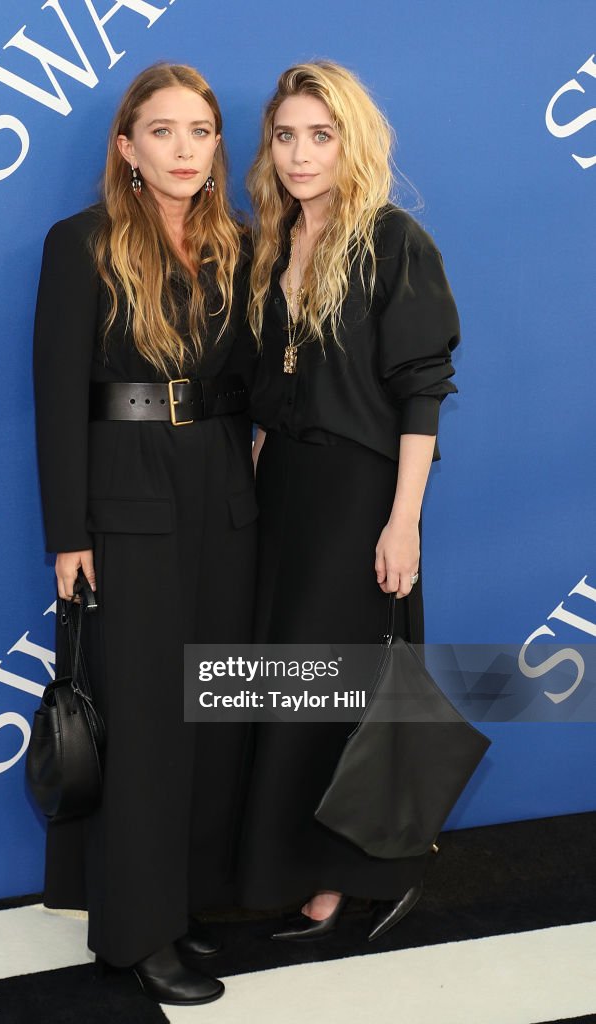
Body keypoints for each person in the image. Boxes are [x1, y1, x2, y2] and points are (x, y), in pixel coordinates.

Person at [32, 63, 258, 1006]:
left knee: (207, 706)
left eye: (199, 131)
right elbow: (53, 398)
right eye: (160, 131)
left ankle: (186, 902)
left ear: (216, 148)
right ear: (126, 147)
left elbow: (249, 384)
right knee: (145, 720)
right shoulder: (79, 242)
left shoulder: (238, 246)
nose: (182, 149)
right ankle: (134, 930)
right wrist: (68, 530)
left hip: (218, 492)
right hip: (125, 501)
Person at [236, 60, 461, 942]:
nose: (299, 154)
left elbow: (421, 392)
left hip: (360, 493)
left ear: (352, 140)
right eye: (285, 136)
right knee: (287, 682)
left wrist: (402, 520)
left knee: (341, 686)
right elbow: (270, 392)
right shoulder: (270, 241)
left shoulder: (393, 241)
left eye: (319, 135)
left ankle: (348, 876)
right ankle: (295, 863)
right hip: (283, 487)